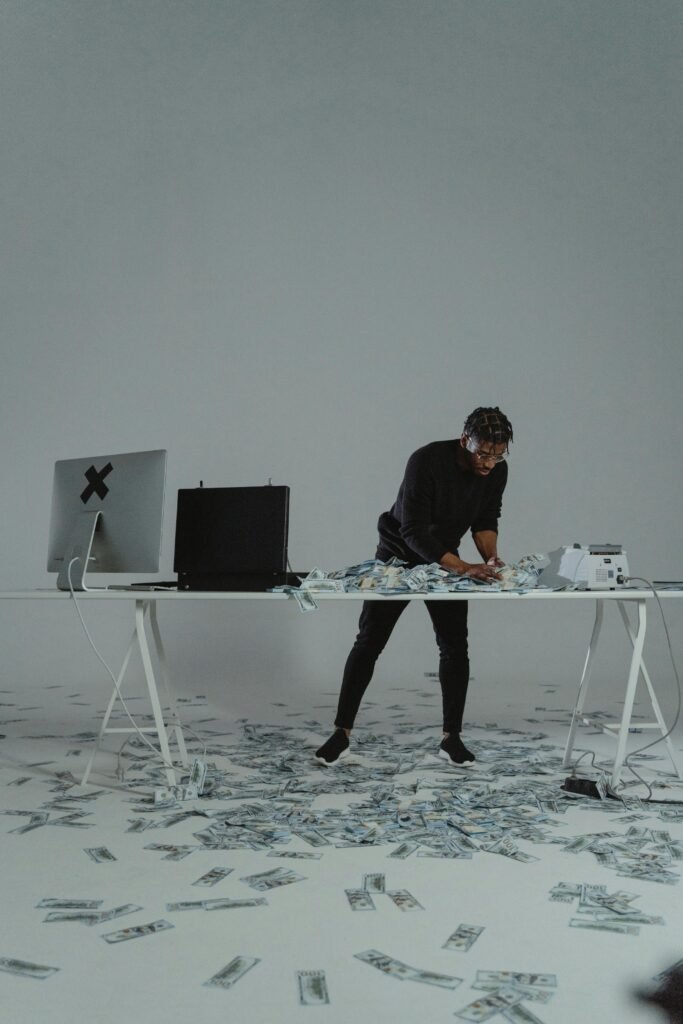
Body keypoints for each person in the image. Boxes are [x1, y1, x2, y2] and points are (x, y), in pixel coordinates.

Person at [315, 406, 513, 767]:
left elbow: (485, 519)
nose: (488, 463)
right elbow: (413, 530)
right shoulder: (426, 461)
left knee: (455, 646)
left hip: (447, 558)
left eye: (498, 456)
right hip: (398, 555)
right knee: (369, 641)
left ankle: (451, 738)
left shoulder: (496, 471)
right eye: (483, 453)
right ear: (465, 439)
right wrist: (463, 567)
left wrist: (490, 558)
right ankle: (341, 732)